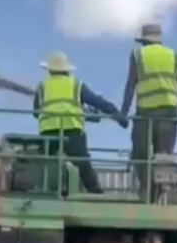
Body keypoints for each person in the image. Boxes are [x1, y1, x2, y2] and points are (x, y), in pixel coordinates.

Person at [34, 52, 127, 194]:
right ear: (67, 70)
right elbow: (98, 102)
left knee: (46, 164)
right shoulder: (76, 85)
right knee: (83, 163)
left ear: (49, 70)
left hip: (48, 132)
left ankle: (42, 190)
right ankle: (95, 192)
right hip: (72, 131)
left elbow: (36, 112)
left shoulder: (41, 86)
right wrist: (118, 116)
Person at [120, 23, 177, 192]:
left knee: (140, 155)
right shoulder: (174, 56)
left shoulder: (138, 55)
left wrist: (123, 113)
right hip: (169, 114)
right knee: (164, 157)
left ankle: (147, 190)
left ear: (144, 41)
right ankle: (158, 193)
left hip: (145, 114)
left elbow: (131, 84)